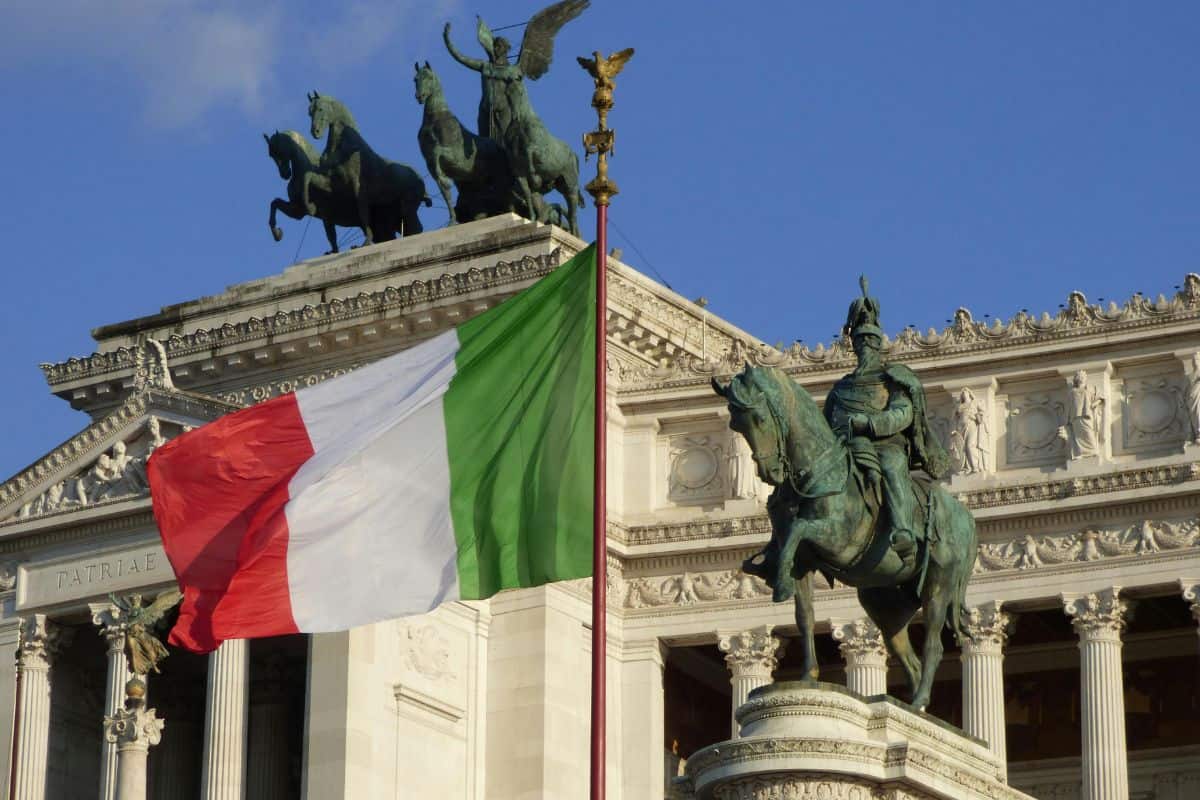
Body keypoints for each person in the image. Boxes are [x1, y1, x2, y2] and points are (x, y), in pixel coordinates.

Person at [822, 278, 950, 568]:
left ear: (879, 346)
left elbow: (902, 413)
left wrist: (868, 422)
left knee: (892, 467)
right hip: (847, 448)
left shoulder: (894, 379)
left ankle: (902, 529)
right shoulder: (841, 388)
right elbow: (824, 426)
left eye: (871, 343)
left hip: (886, 445)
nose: (866, 347)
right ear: (854, 347)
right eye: (861, 343)